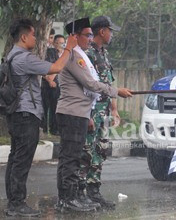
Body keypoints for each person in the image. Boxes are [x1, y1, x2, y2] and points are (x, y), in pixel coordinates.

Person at [55, 17, 132, 213]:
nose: (90, 38)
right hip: (76, 112)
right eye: (87, 35)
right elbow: (90, 84)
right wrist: (116, 92)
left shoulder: (85, 55)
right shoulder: (75, 55)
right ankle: (71, 197)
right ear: (76, 36)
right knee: (76, 157)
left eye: (90, 35)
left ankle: (81, 194)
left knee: (92, 153)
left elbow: (99, 82)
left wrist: (113, 107)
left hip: (87, 111)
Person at [5, 18, 77, 217]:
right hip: (26, 114)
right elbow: (55, 68)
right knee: (22, 160)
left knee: (15, 158)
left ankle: (14, 201)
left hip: (16, 114)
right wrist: (68, 49)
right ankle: (16, 203)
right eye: (34, 35)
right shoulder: (24, 58)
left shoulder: (11, 55)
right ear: (24, 36)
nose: (36, 39)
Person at [79, 16, 122, 208]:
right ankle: (80, 192)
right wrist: (87, 114)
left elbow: (108, 83)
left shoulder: (104, 54)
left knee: (100, 150)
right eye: (110, 30)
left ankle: (94, 191)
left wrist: (114, 108)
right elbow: (84, 86)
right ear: (102, 31)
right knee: (86, 150)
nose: (111, 34)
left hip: (103, 110)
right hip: (91, 109)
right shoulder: (87, 54)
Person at [41, 34, 65, 135]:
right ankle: (43, 128)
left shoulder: (65, 55)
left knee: (55, 107)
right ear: (54, 43)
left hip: (57, 85)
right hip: (46, 85)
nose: (60, 45)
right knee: (44, 107)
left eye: (62, 44)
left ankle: (54, 129)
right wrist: (49, 80)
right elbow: (44, 69)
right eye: (58, 43)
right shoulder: (49, 53)